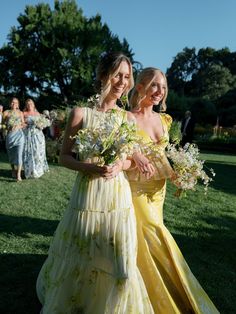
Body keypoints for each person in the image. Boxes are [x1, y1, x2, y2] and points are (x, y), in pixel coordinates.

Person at [36, 52, 154, 314]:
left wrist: (119, 165)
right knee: (82, 253)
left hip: (117, 195)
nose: (123, 82)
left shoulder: (127, 119)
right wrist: (89, 167)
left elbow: (130, 160)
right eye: (117, 75)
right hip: (88, 194)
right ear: (103, 76)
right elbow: (64, 157)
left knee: (119, 262)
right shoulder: (81, 113)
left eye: (127, 76)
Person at [127, 67, 219, 313]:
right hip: (135, 188)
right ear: (140, 86)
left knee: (146, 239)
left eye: (164, 87)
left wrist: (178, 173)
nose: (160, 91)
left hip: (159, 190)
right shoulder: (127, 118)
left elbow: (162, 156)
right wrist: (135, 156)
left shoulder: (164, 120)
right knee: (154, 233)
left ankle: (147, 286)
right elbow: (122, 152)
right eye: (155, 85)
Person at [23, 98, 49, 179]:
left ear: (33, 104)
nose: (29, 105)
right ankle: (30, 171)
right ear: (26, 106)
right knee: (30, 152)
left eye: (31, 104)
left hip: (38, 136)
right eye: (28, 104)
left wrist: (41, 125)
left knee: (38, 152)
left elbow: (42, 124)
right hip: (29, 135)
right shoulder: (24, 113)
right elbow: (22, 124)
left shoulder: (38, 113)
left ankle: (38, 170)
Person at [2, 97, 25, 181]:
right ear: (10, 103)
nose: (14, 104)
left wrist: (19, 126)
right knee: (10, 153)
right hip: (10, 136)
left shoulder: (20, 113)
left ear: (18, 104)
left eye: (15, 102)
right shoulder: (6, 112)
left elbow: (23, 124)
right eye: (12, 102)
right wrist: (7, 127)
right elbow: (2, 124)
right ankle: (13, 169)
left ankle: (18, 174)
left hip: (19, 135)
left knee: (19, 154)